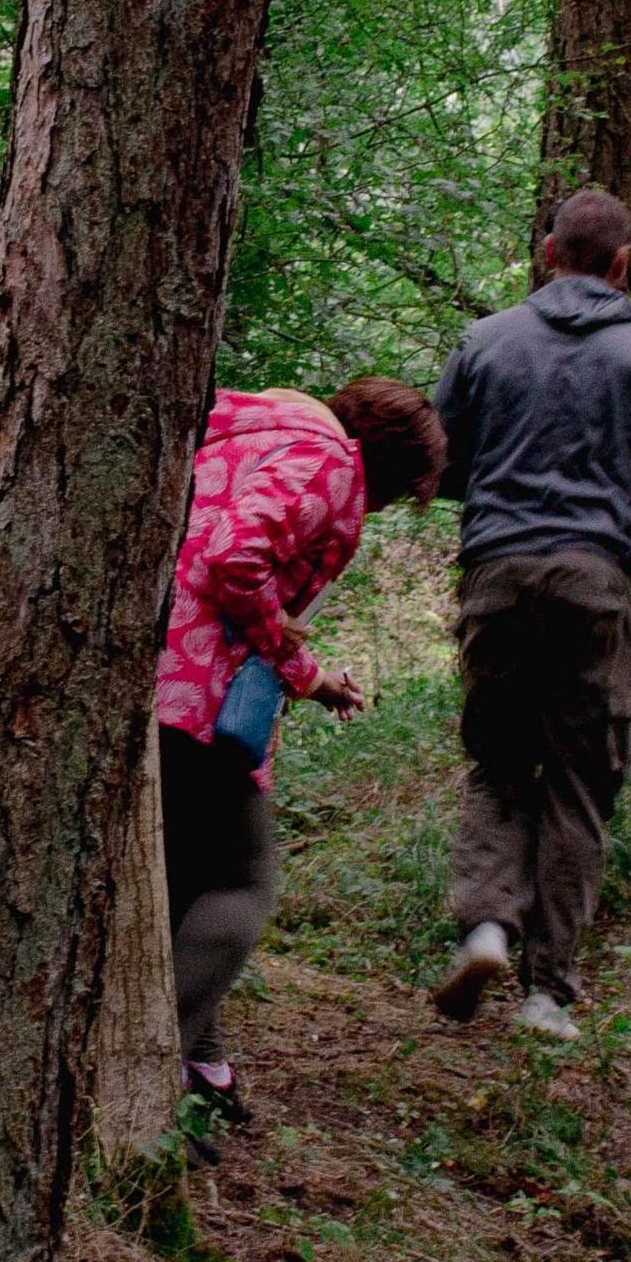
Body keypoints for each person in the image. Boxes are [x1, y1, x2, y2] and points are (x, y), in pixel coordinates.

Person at [425, 189, 631, 1041]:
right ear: (620, 264)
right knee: (580, 784)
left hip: (496, 580)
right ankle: (547, 993)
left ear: (549, 252)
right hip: (595, 587)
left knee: (500, 764)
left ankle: (484, 928)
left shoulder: (484, 340)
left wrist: (500, 497)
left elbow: (439, 461)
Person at [150, 376, 446, 1130]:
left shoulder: (255, 430)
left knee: (184, 881)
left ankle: (203, 1069)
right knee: (244, 881)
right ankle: (144, 1073)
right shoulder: (328, 462)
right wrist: (285, 639)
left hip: (155, 671)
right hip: (194, 694)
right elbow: (233, 560)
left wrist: (309, 677)